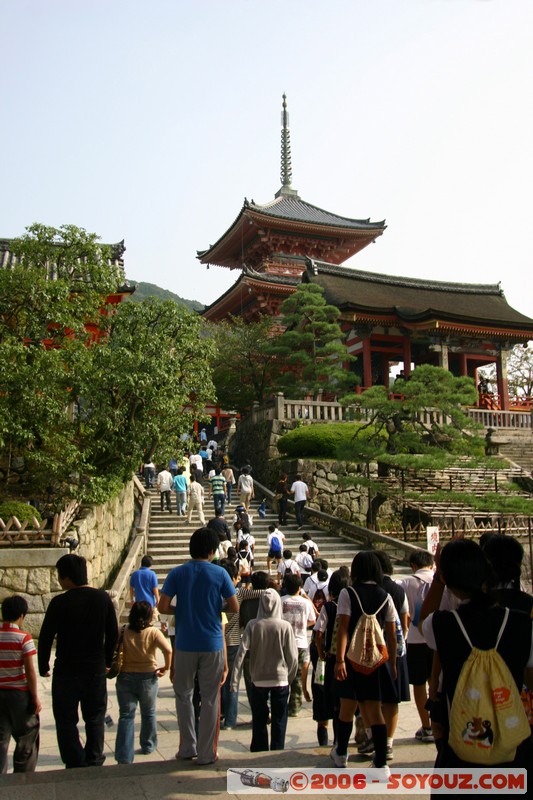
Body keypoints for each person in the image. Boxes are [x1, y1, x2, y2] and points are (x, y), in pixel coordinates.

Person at [420, 539, 533, 775]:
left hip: (461, 742)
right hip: (512, 744)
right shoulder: (522, 623)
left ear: (448, 580)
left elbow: (423, 621)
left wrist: (439, 578)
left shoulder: (444, 625)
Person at [158, 528, 239, 765]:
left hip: (184, 643)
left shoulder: (177, 573)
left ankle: (187, 747)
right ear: (213, 551)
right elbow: (234, 606)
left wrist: (181, 610)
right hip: (212, 642)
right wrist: (215, 609)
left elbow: (162, 606)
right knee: (211, 698)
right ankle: (206, 753)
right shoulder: (220, 574)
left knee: (183, 695)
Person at [38, 554, 118, 769]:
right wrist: (108, 660)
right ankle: (94, 757)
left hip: (66, 669)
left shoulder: (59, 603)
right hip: (95, 667)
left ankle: (74, 759)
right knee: (94, 717)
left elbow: (46, 636)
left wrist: (43, 664)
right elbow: (112, 634)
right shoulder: (102, 599)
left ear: (65, 577)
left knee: (65, 719)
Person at [332, 551, 397, 777]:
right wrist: (394, 663)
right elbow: (391, 634)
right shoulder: (385, 596)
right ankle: (381, 762)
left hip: (351, 658)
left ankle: (341, 753)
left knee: (346, 708)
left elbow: (343, 629)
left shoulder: (347, 593)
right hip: (376, 660)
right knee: (374, 709)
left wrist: (339, 659)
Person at [231, 589, 298, 752]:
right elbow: (293, 657)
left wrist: (234, 680)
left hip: (258, 678)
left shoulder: (253, 625)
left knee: (259, 719)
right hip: (280, 678)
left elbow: (241, 654)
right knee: (279, 719)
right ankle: (277, 750)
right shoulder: (284, 626)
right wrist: (289, 678)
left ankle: (259, 749)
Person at [114, 601, 172, 764]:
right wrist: (166, 668)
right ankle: (148, 744)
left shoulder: (123, 630)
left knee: (126, 715)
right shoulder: (153, 632)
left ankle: (124, 755)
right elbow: (168, 650)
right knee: (148, 713)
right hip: (148, 676)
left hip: (125, 676)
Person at [0, 595, 41, 773]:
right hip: (18, 693)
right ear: (22, 616)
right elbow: (30, 671)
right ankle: (23, 776)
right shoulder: (24, 638)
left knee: (1, 737)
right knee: (27, 733)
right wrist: (35, 697)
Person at [399, 549, 435, 743]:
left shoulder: (405, 583)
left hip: (414, 639)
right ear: (431, 563)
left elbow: (404, 612)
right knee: (435, 681)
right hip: (437, 639)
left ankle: (427, 726)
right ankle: (438, 723)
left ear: (413, 565)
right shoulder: (438, 581)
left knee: (419, 685)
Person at [281, 574, 317, 717]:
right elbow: (312, 620)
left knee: (282, 675)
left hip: (283, 643)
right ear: (299, 587)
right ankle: (295, 707)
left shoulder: (281, 601)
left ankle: (281, 704)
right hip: (300, 643)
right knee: (297, 677)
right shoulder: (305, 603)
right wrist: (302, 626)